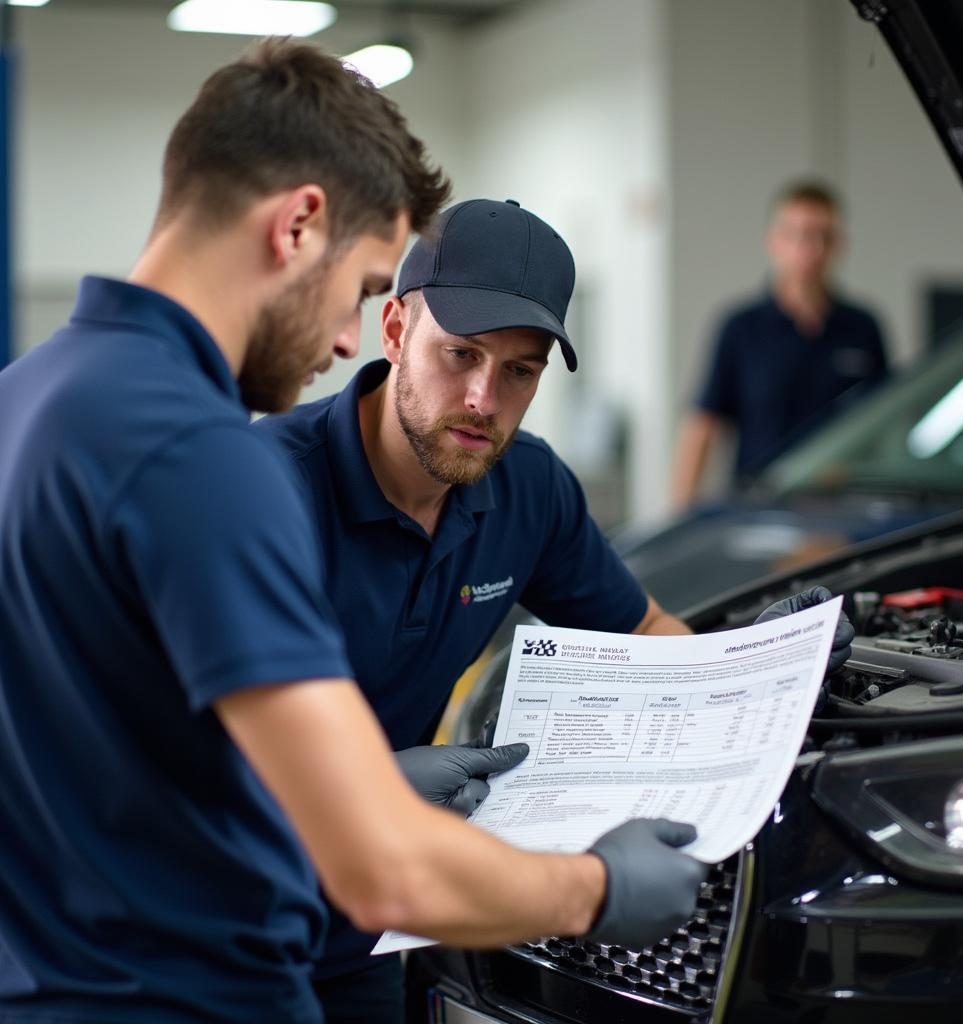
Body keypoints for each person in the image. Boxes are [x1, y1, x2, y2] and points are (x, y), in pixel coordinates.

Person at [0, 43, 712, 1024]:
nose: (344, 337)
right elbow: (378, 867)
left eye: (519, 370)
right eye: (364, 284)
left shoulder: (31, 396)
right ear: (297, 224)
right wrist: (593, 887)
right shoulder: (200, 456)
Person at [255, 197, 856, 1022]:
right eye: (459, 353)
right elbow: (161, 752)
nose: (481, 399)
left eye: (520, 371)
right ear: (393, 330)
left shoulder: (528, 489)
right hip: (216, 923)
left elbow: (645, 635)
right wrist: (365, 788)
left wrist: (759, 664)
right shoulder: (262, 492)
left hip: (370, 927)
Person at [671, 180, 890, 509]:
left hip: (843, 509)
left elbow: (885, 422)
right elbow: (704, 423)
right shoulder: (740, 328)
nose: (811, 248)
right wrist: (680, 513)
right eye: (798, 234)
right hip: (758, 508)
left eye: (823, 236)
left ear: (839, 245)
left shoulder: (863, 327)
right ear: (774, 241)